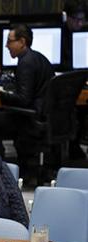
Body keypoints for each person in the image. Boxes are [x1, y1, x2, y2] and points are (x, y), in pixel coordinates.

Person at [0, 24, 55, 158]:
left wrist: (0, 94)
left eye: (9, 41)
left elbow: (24, 99)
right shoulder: (38, 57)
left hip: (30, 120)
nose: (6, 46)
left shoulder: (25, 63)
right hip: (44, 117)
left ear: (22, 42)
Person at [62, 0, 88, 159]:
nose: (80, 23)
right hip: (64, 83)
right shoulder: (60, 34)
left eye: (82, 20)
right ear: (67, 17)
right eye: (76, 19)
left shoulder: (85, 34)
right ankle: (71, 144)